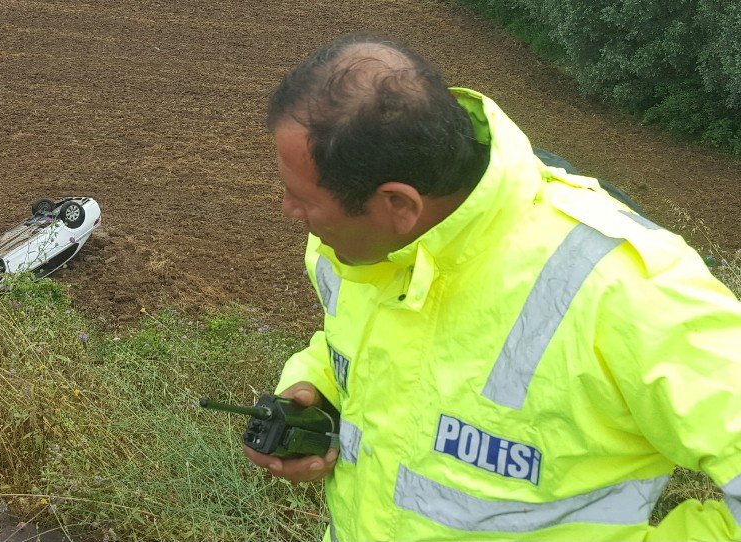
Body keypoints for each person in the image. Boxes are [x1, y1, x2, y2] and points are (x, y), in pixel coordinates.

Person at [243, 33, 741, 541]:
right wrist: (318, 394)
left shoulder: (630, 287)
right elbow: (349, 345)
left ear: (399, 205)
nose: (289, 212)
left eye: (301, 195)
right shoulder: (351, 251)